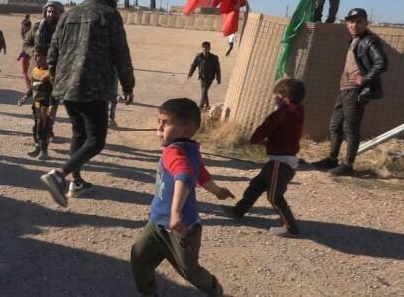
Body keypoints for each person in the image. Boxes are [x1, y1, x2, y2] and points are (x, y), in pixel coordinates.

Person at [40, 0, 135, 207]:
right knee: (96, 140)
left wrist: (57, 79)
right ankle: (59, 175)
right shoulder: (109, 15)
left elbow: (53, 51)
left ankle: (77, 182)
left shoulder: (69, 14)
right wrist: (128, 85)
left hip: (67, 86)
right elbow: (121, 52)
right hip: (93, 87)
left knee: (78, 134)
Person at [130, 98, 233, 296]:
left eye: (165, 123)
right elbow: (200, 174)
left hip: (182, 229)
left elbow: (185, 176)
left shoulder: (174, 152)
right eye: (158, 121)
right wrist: (218, 191)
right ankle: (148, 292)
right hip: (157, 224)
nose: (158, 127)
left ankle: (215, 290)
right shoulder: (191, 149)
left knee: (189, 270)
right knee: (139, 257)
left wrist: (175, 213)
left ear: (185, 130)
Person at [222, 79, 306, 237]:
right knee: (256, 185)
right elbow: (285, 136)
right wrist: (269, 143)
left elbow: (261, 132)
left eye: (276, 96)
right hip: (281, 161)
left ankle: (290, 228)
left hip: (280, 164)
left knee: (274, 196)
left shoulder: (281, 114)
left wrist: (255, 140)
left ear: (284, 97)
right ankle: (238, 211)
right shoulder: (298, 112)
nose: (274, 99)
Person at [313, 8, 388, 175]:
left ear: (365, 23)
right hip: (345, 89)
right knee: (335, 125)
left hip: (356, 91)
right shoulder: (355, 40)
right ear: (347, 24)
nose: (355, 25)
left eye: (359, 22)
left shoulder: (370, 41)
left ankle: (348, 165)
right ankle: (332, 159)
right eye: (351, 22)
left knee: (350, 128)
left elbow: (382, 63)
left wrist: (365, 79)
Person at [187, 41, 221, 111]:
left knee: (204, 91)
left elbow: (217, 69)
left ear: (210, 48)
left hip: (209, 78)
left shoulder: (214, 58)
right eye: (204, 48)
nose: (205, 49)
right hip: (202, 77)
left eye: (207, 48)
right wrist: (190, 74)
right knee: (204, 92)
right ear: (202, 48)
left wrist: (218, 78)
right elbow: (194, 65)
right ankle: (207, 105)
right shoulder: (198, 56)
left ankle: (200, 107)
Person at [18, 20, 33, 89]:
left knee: (25, 72)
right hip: (32, 55)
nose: (22, 28)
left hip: (26, 55)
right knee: (31, 71)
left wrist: (21, 55)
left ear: (27, 27)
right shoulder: (34, 33)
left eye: (23, 26)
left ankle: (29, 87)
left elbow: (25, 47)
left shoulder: (27, 35)